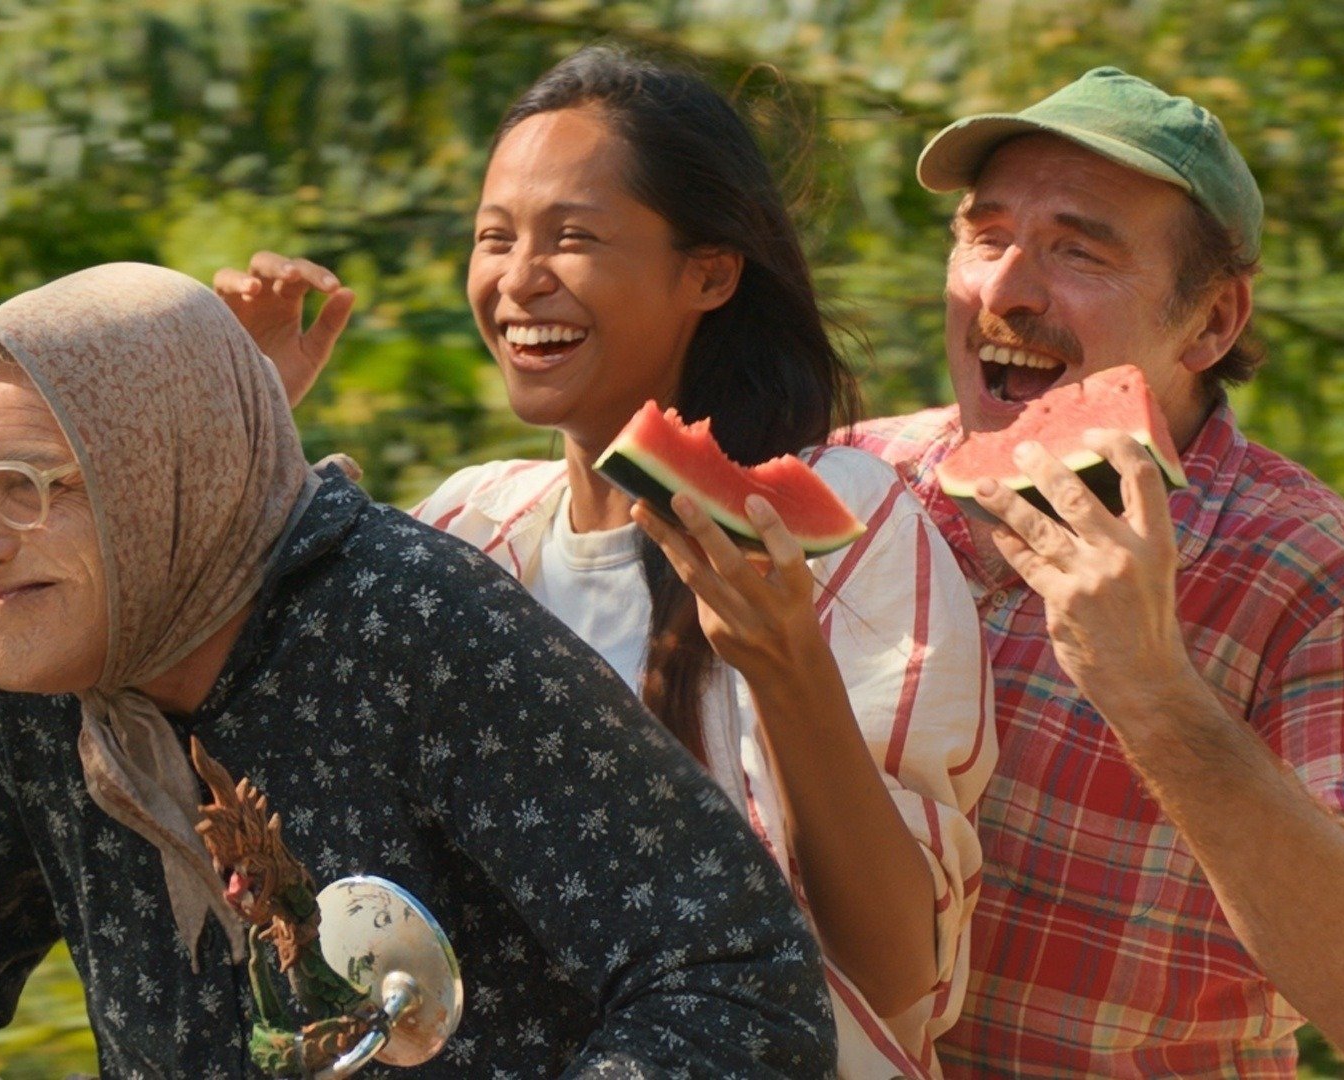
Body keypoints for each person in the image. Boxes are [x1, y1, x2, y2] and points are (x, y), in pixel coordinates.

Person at [0, 263, 837, 1079]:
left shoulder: (406, 626)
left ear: (175, 476)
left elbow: (734, 974)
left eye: (27, 490)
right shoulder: (46, 671)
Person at [216, 47, 994, 1078]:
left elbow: (898, 979)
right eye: (495, 238)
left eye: (572, 237)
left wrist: (785, 662)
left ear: (709, 272)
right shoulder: (467, 527)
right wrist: (243, 428)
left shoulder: (840, 529)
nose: (519, 277)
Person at [848, 68, 1344, 1076]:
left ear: (1212, 324)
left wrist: (1153, 690)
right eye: (987, 234)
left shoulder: (1320, 574)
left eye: (1078, 250)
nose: (1005, 289)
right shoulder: (853, 482)